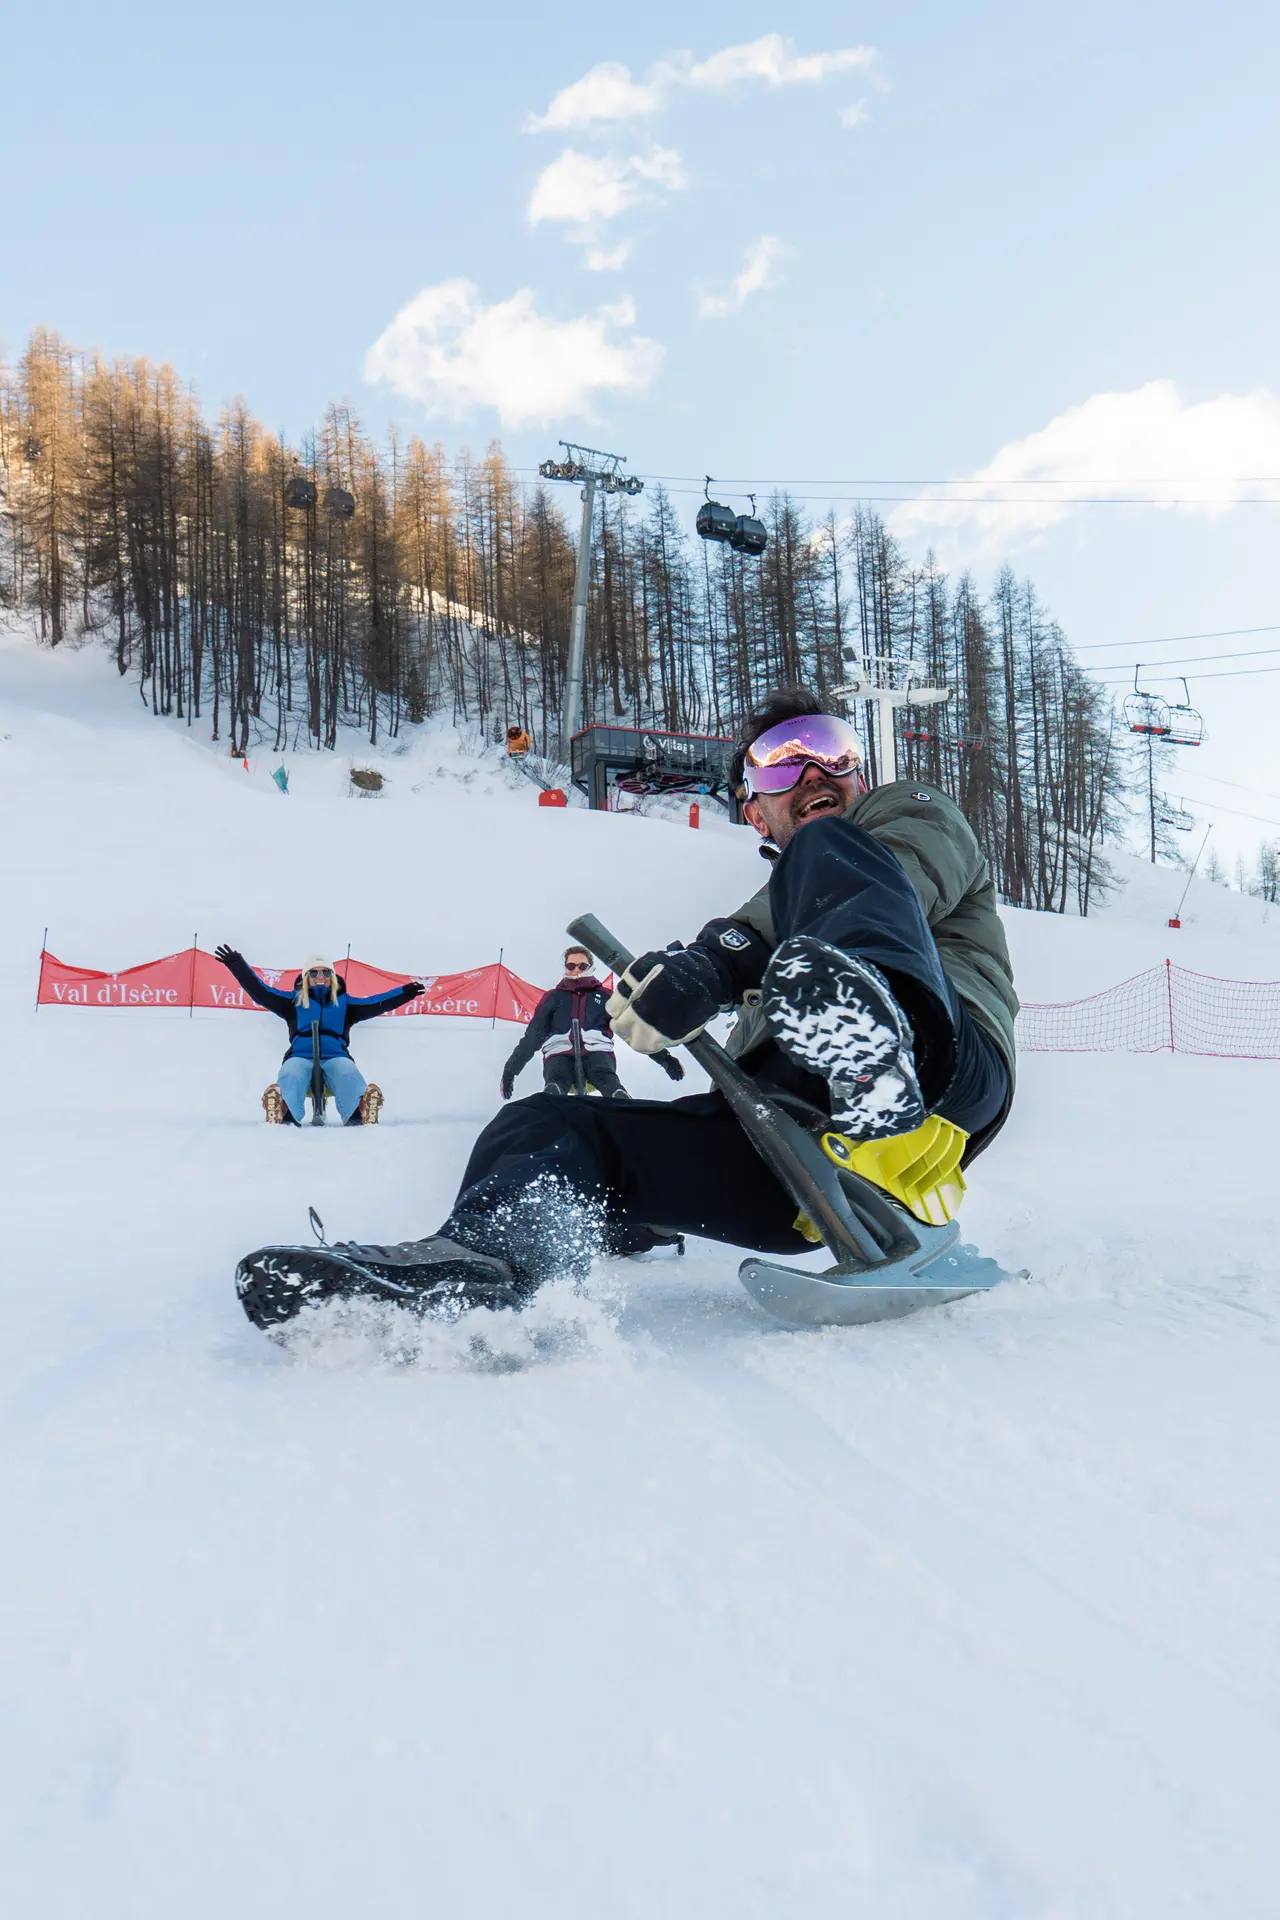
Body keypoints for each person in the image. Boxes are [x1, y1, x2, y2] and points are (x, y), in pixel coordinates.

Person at [234, 689, 1017, 1323]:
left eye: (828, 746)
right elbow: (762, 932)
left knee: (830, 865)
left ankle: (870, 1048)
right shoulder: (788, 920)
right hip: (791, 1161)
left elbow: (881, 879)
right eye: (779, 765)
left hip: (938, 1065)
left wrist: (712, 965)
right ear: (753, 811)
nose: (812, 771)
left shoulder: (904, 817)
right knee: (545, 1124)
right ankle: (496, 1261)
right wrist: (618, 1181)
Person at [214, 948, 425, 1126]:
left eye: (325, 972)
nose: (320, 977)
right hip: (301, 1055)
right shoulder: (293, 1002)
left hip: (334, 1055)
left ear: (332, 976)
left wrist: (405, 993)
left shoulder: (344, 1003)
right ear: (306, 977)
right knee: (292, 1072)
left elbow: (377, 1003)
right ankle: (282, 1109)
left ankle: (362, 1110)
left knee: (347, 1071)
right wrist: (237, 965)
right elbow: (260, 992)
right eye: (314, 973)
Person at [501, 946, 677, 1100]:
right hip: (559, 1051)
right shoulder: (554, 997)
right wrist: (511, 1071)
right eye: (571, 966)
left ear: (590, 967)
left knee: (607, 1078)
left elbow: (630, 1028)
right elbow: (534, 1035)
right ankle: (552, 1103)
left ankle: (619, 1102)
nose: (576, 970)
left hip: (597, 1049)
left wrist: (665, 1059)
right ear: (565, 968)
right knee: (557, 1079)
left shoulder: (605, 996)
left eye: (582, 965)